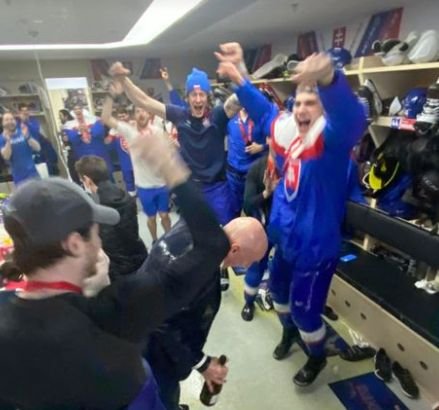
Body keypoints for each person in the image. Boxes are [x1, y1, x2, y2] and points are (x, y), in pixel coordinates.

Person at [0, 120, 266, 409]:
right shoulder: (112, 313)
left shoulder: (7, 323)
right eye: (95, 233)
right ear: (74, 244)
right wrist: (171, 168)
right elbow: (213, 245)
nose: (99, 242)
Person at [216, 43, 367, 386]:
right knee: (279, 295)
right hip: (285, 240)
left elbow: (351, 118)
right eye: (297, 102)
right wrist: (239, 77)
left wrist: (328, 77)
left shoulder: (331, 144)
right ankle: (289, 333)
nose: (300, 108)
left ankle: (317, 357)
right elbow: (267, 114)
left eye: (310, 102)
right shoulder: (293, 137)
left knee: (305, 311)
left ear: (324, 110)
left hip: (316, 249)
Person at [108, 63, 242, 226]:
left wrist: (238, 73)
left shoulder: (218, 115)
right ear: (187, 97)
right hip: (191, 188)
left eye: (202, 94)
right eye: (193, 94)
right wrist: (123, 79)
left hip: (217, 189)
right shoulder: (179, 115)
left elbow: (242, 97)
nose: (198, 99)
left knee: (227, 231)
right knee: (193, 233)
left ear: (208, 97)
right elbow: (143, 101)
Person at [101, 85, 172, 243]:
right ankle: (154, 241)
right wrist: (111, 95)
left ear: (149, 114)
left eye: (144, 111)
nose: (141, 114)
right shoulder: (129, 131)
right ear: (134, 115)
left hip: (161, 184)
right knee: (151, 218)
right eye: (138, 111)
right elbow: (105, 118)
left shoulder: (158, 131)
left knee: (165, 216)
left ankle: (170, 240)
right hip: (144, 186)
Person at [75, 155, 148, 282]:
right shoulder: (124, 195)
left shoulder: (99, 209)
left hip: (119, 269)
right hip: (140, 256)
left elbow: (108, 244)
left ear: (87, 179)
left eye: (82, 180)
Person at [241, 153, 278, 321]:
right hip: (264, 227)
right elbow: (248, 204)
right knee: (256, 266)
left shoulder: (299, 168)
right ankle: (249, 302)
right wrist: (267, 192)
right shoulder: (257, 168)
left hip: (288, 229)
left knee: (284, 270)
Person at [227, 107, 267, 218]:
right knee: (234, 210)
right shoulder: (230, 120)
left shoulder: (262, 119)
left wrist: (262, 147)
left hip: (251, 175)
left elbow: (275, 141)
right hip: (233, 174)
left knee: (253, 210)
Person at [63, 104, 113, 175]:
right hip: (83, 155)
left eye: (79, 108)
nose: (78, 111)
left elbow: (99, 133)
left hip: (99, 153)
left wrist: (88, 129)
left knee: (105, 174)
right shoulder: (69, 125)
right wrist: (79, 132)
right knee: (88, 176)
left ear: (83, 110)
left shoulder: (95, 120)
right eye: (75, 109)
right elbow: (73, 140)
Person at [17, 102, 59, 176]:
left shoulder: (34, 122)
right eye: (23, 111)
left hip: (39, 150)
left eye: (26, 110)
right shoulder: (17, 124)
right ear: (19, 112)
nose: (25, 113)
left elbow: (41, 134)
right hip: (26, 153)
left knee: (43, 173)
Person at [0, 112, 41, 186]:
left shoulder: (23, 131)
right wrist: (8, 141)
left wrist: (27, 137)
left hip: (33, 174)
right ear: (2, 123)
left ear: (15, 121)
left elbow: (38, 148)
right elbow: (6, 156)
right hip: (19, 178)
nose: (10, 121)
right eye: (7, 120)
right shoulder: (1, 138)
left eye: (12, 119)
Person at [107, 107, 136, 196]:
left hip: (138, 158)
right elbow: (108, 142)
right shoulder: (114, 129)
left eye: (123, 116)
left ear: (128, 115)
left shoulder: (136, 125)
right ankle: (132, 196)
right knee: (128, 177)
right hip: (125, 159)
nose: (122, 118)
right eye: (120, 117)